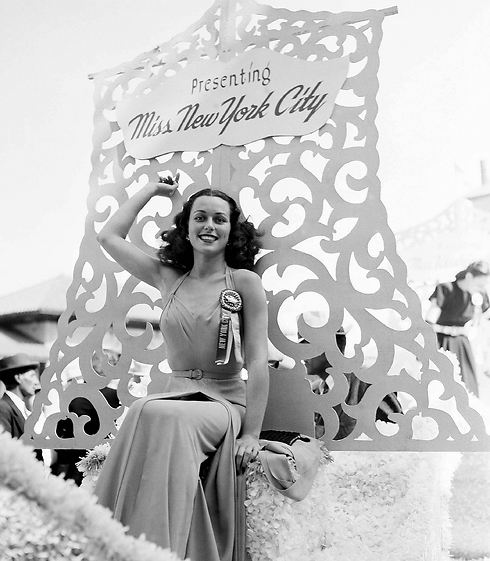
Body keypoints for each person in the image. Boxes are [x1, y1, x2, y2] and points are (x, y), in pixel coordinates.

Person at [93, 176, 269, 561]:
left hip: (224, 404)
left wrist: (252, 433)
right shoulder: (167, 277)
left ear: (231, 230)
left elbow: (257, 360)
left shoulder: (244, 283)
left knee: (162, 413)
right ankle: (108, 541)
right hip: (175, 395)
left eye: (219, 219)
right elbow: (109, 237)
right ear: (186, 228)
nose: (209, 226)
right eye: (200, 218)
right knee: (144, 407)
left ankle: (159, 551)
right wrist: (152, 191)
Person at [52, 349, 122, 485]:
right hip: (102, 465)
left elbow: (63, 431)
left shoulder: (72, 392)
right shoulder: (114, 396)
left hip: (73, 463)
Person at [426, 260, 490, 396]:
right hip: (441, 342)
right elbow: (429, 323)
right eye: (479, 284)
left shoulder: (480, 295)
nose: (481, 288)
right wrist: (452, 331)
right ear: (469, 276)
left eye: (484, 285)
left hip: (462, 343)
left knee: (468, 388)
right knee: (442, 387)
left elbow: (484, 317)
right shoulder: (446, 289)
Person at [0, 353, 43, 461]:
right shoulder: (3, 408)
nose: (37, 383)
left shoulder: (21, 407)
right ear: (18, 378)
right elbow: (5, 451)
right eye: (32, 376)